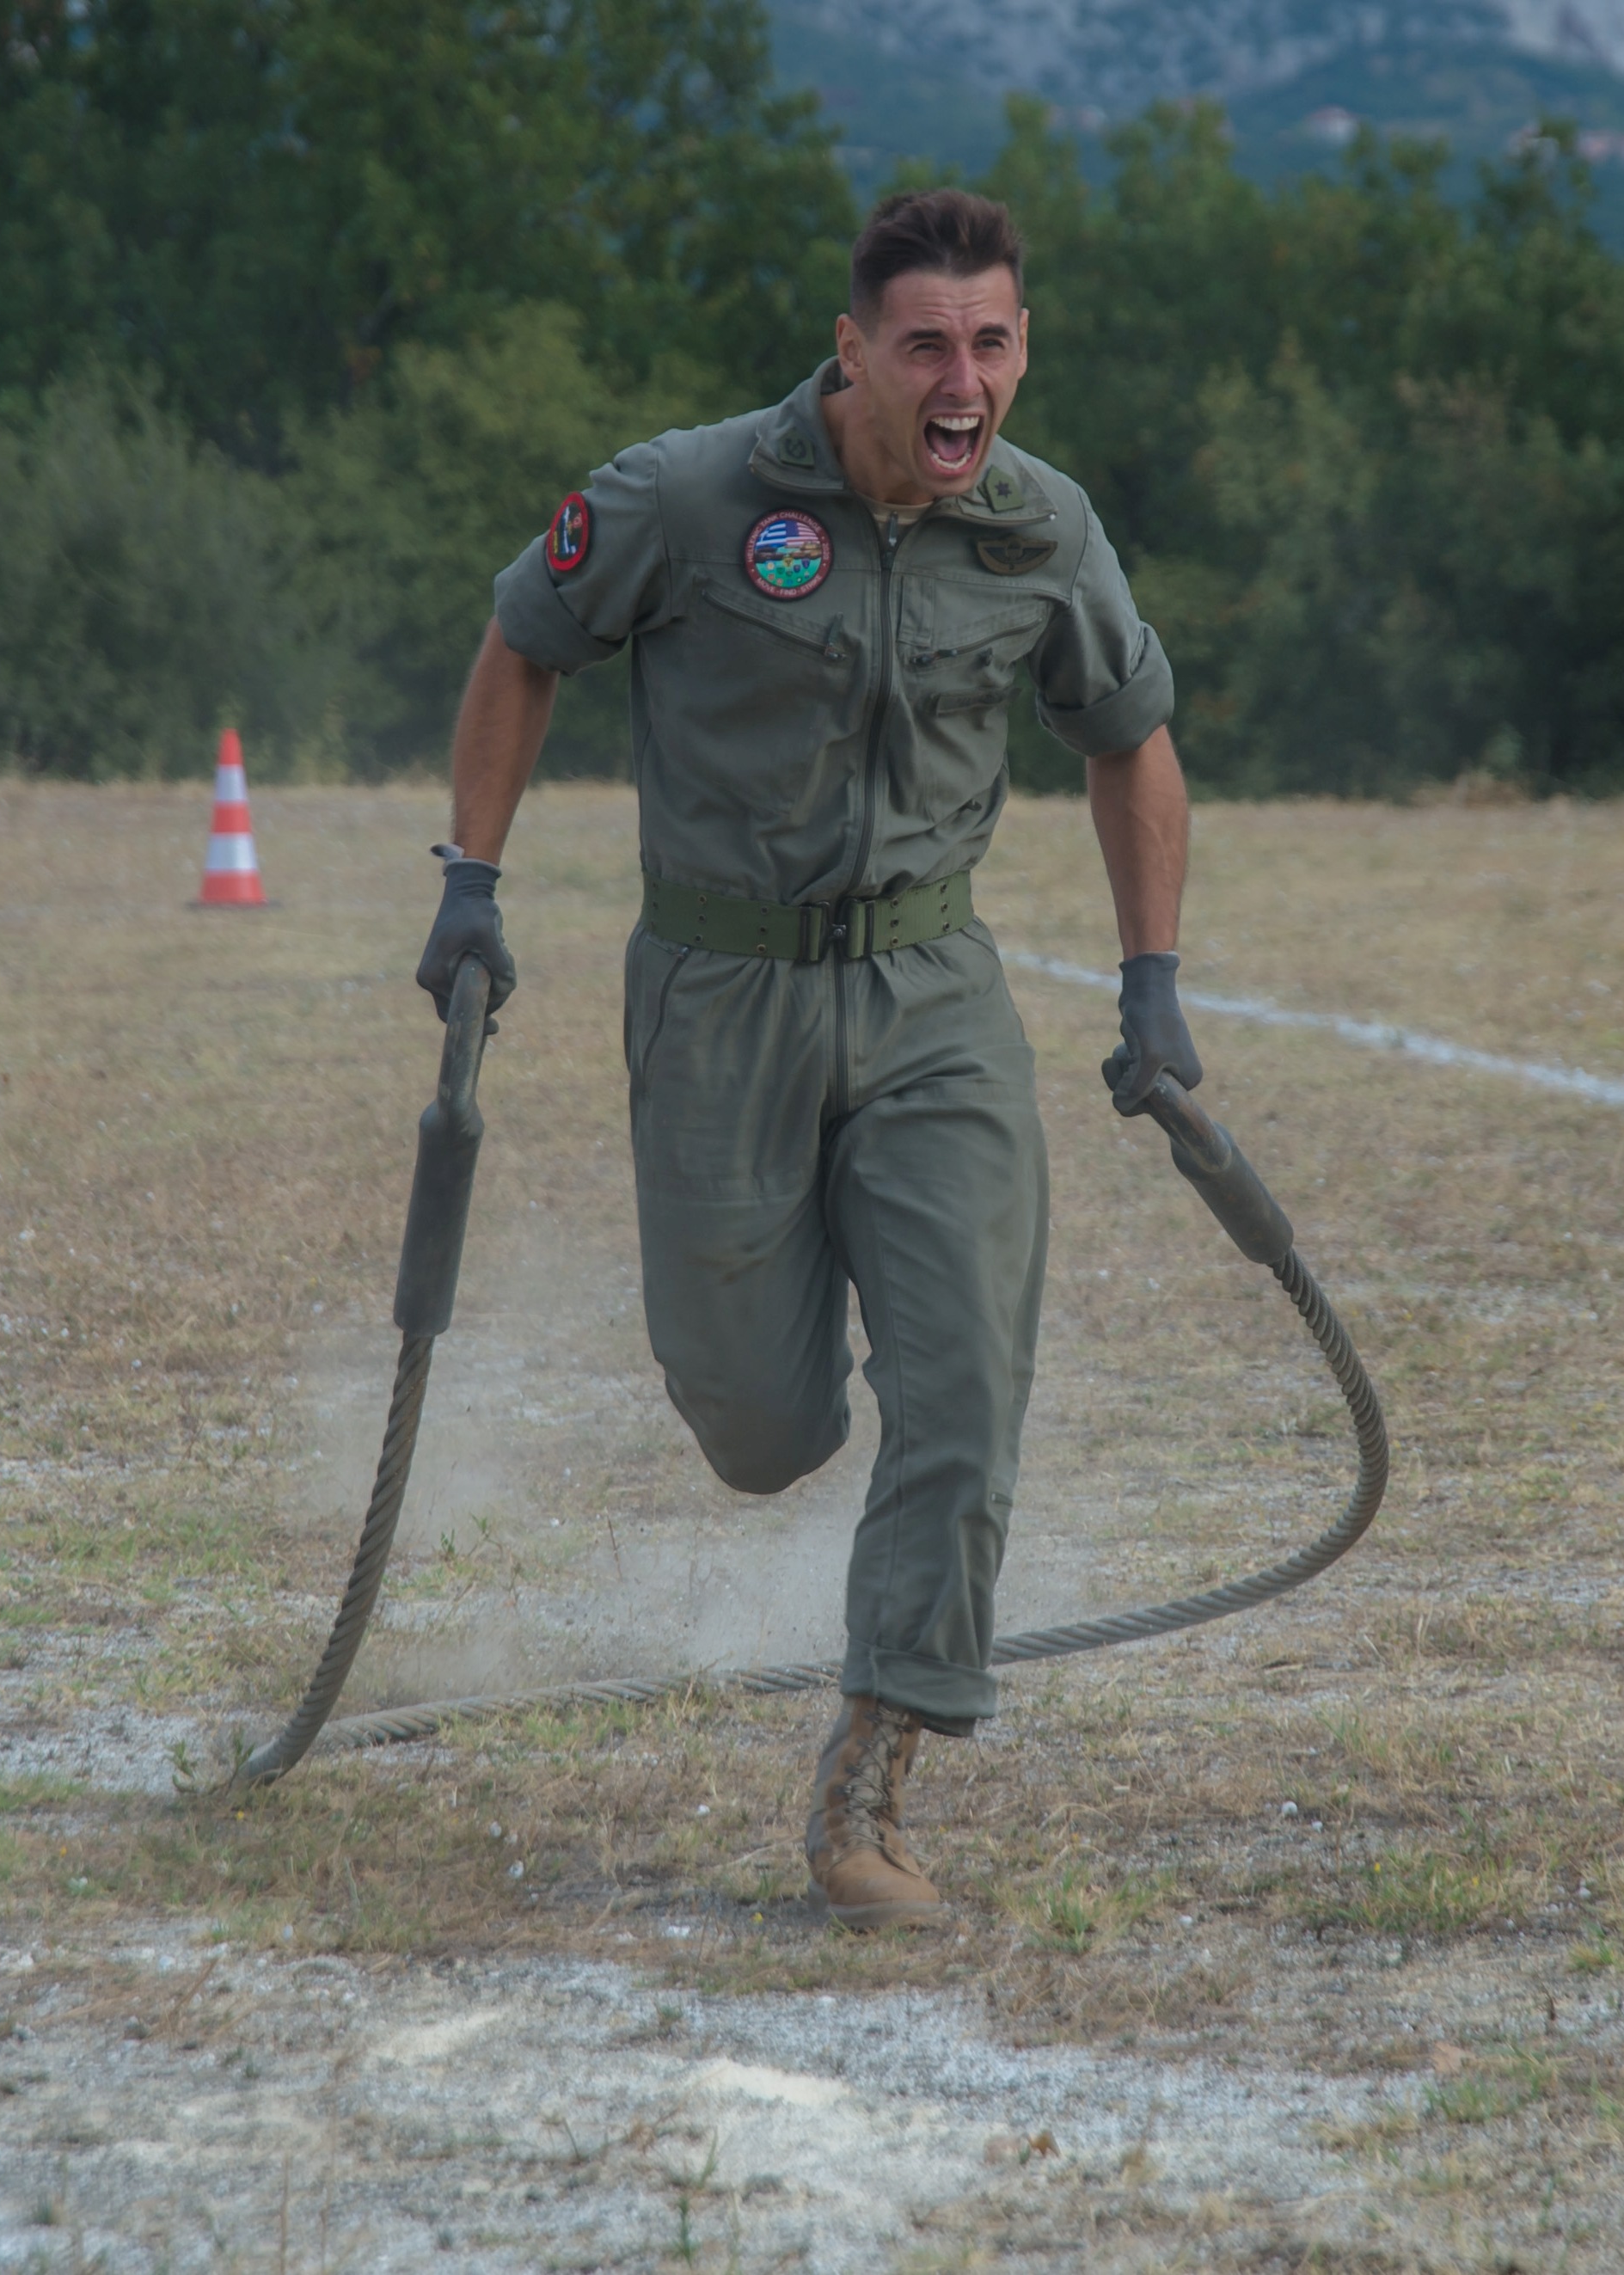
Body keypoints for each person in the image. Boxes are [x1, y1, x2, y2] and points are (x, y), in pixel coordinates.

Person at [416, 188, 1202, 1929]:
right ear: (852, 352)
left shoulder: (1041, 527)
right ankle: (792, 1386)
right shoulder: (688, 495)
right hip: (720, 991)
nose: (959, 380)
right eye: (923, 345)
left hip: (934, 997)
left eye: (988, 343)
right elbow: (524, 639)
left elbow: (1129, 738)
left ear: (1021, 350)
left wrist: (1150, 983)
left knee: (964, 1388)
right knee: (760, 1429)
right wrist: (471, 883)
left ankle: (867, 1789)